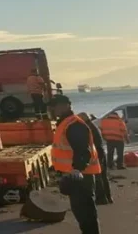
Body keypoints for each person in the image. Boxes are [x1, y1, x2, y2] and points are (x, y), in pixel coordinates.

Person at [49, 95, 101, 234]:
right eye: (52, 107)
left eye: (55, 106)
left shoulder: (73, 124)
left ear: (65, 105)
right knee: (81, 213)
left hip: (81, 176)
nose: (53, 109)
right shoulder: (66, 123)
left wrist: (78, 168)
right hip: (74, 175)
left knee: (85, 214)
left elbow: (83, 150)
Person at [80, 114, 113, 205]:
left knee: (98, 177)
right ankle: (108, 197)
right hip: (100, 152)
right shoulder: (92, 126)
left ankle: (102, 198)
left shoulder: (87, 128)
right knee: (103, 176)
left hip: (97, 153)